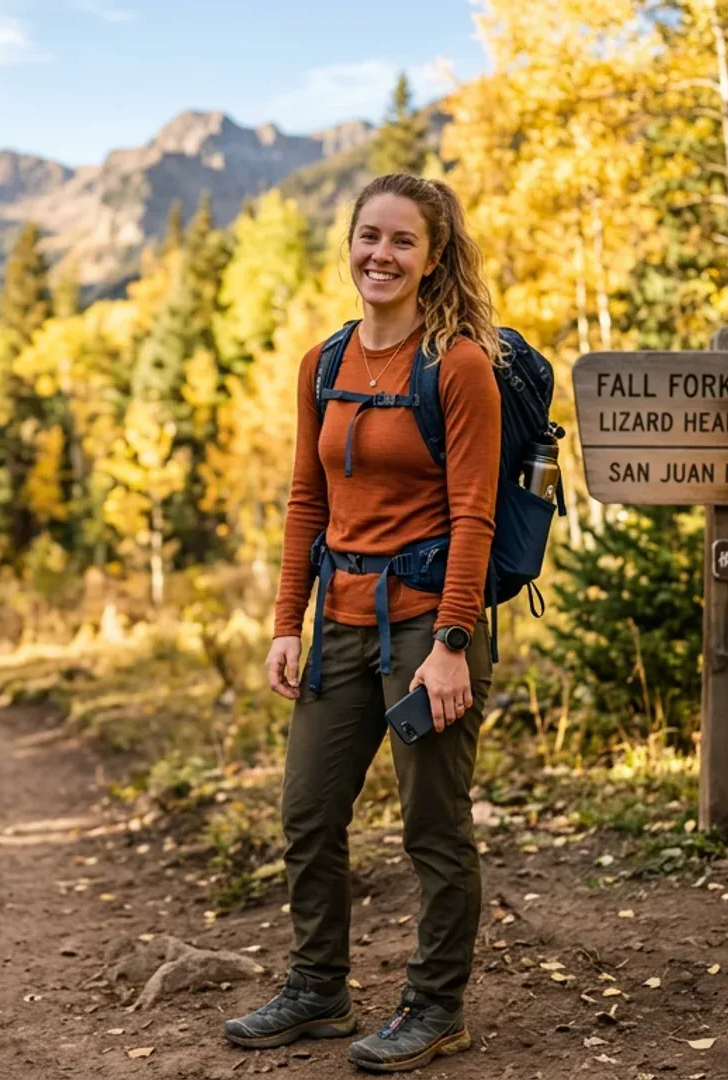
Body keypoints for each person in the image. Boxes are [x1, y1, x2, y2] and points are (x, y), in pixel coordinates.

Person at [221, 173, 502, 1073]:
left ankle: (435, 1006)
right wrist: (285, 623)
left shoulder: (456, 364)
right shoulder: (324, 361)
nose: (381, 255)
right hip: (339, 622)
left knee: (433, 828)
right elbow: (308, 498)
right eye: (368, 236)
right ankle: (318, 990)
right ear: (348, 244)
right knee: (307, 812)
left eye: (403, 241)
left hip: (428, 627)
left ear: (433, 257)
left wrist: (454, 643)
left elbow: (475, 515)